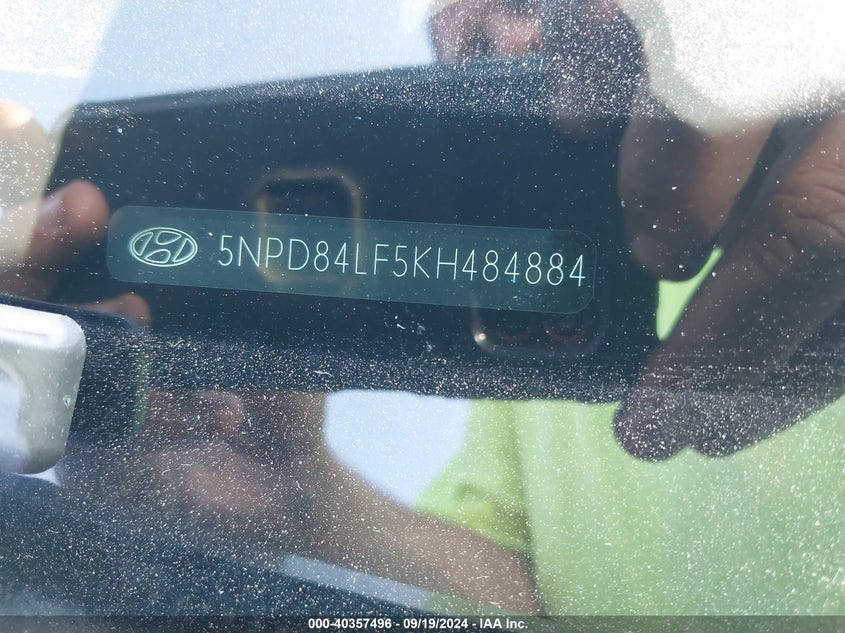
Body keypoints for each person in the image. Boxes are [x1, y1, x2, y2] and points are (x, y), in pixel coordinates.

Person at [1, 0, 843, 613]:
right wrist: (301, 492)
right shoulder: (532, 327)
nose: (509, 49)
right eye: (464, 45)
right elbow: (522, 596)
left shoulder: (806, 153)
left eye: (526, 3)